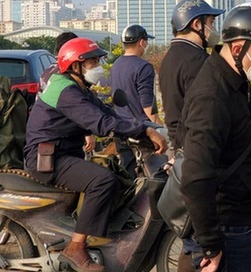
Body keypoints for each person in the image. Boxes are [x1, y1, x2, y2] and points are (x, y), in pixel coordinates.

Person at [25, 37, 167, 272]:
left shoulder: (79, 87)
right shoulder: (66, 91)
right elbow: (100, 123)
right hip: (48, 159)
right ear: (75, 66)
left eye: (97, 60)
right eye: (91, 61)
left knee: (116, 174)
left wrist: (147, 126)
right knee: (103, 180)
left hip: (63, 154)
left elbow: (108, 113)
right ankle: (76, 249)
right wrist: (143, 129)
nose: (97, 66)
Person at [179, 3, 251, 272]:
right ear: (237, 48)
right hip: (226, 230)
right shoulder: (212, 95)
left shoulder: (236, 79)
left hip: (242, 223)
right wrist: (210, 245)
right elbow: (196, 177)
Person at [159, 0, 224, 151]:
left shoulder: (169, 57)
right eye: (211, 23)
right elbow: (203, 111)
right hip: (195, 144)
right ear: (197, 25)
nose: (213, 29)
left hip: (178, 141)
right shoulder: (198, 60)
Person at [110, 24, 159, 177]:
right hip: (141, 132)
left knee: (128, 176)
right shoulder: (144, 67)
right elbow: (147, 106)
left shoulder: (116, 65)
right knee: (154, 179)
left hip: (121, 128)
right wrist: (158, 129)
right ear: (141, 42)